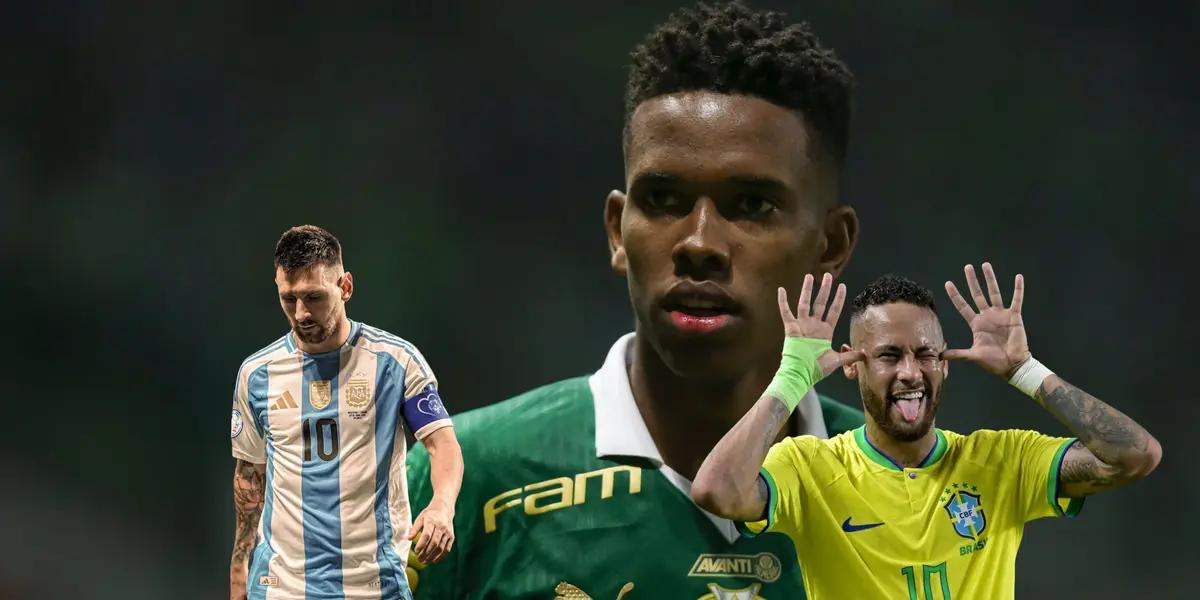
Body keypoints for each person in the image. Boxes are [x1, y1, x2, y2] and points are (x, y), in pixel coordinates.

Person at [405, 2, 865, 597]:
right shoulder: (461, 481)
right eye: (664, 199)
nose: (699, 243)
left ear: (830, 244)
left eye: (752, 205)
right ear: (619, 231)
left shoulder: (914, 486)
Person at [692, 266, 1162, 599]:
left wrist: (1027, 372)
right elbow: (717, 490)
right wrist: (790, 381)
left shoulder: (1002, 461)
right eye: (889, 355)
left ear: (946, 363)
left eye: (926, 354)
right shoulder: (810, 468)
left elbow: (1134, 455)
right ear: (852, 365)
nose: (912, 372)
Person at [229, 225, 464, 600]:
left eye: (314, 297)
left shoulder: (396, 362)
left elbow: (443, 444)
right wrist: (239, 567)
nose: (302, 313)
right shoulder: (257, 374)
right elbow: (250, 477)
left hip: (373, 585)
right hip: (282, 588)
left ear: (346, 287)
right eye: (289, 299)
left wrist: (441, 506)